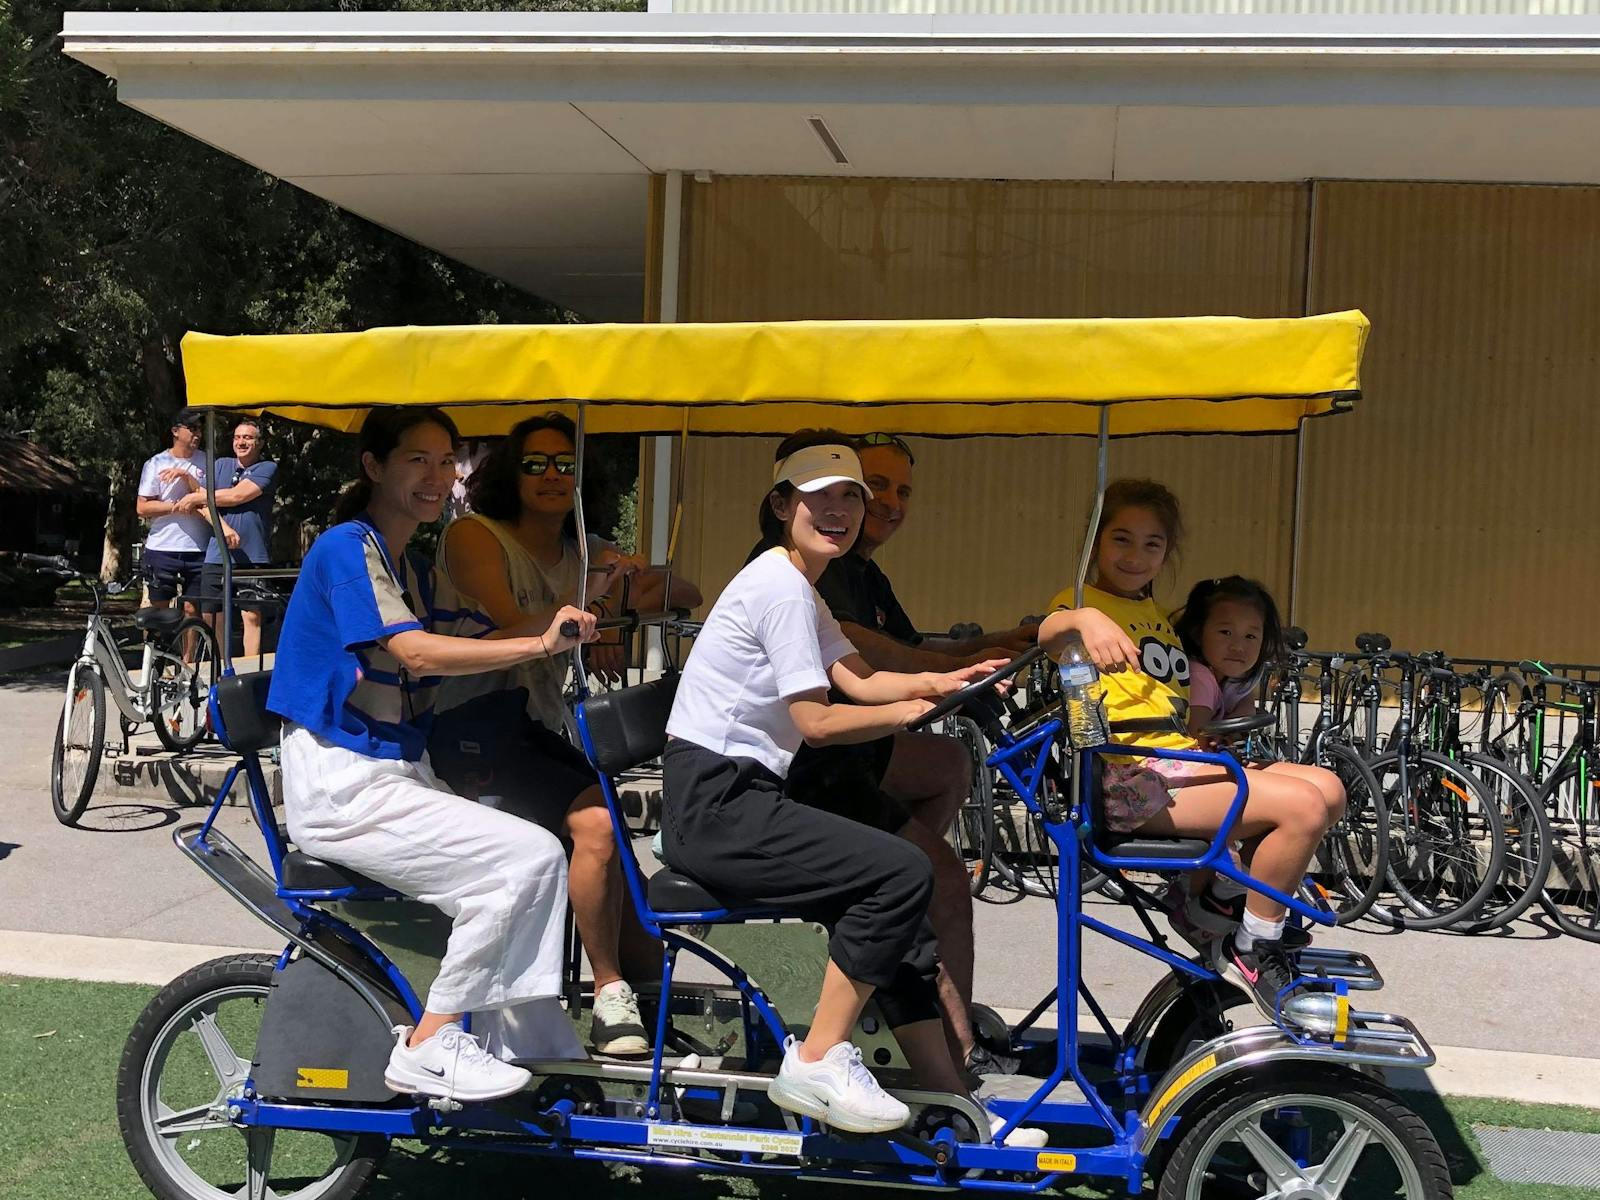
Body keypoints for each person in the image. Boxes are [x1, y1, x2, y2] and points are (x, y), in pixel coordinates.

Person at [662, 430, 1044, 1145]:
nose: (839, 513)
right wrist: (908, 714)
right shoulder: (778, 586)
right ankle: (814, 1059)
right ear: (781, 504)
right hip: (715, 805)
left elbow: (860, 677)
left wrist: (947, 680)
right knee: (900, 872)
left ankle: (959, 1106)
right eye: (819, 498)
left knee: (904, 914)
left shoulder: (800, 585)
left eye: (851, 499)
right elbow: (815, 720)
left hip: (744, 798)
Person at [268, 405, 600, 1103]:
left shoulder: (410, 567)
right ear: (373, 466)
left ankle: (534, 1044)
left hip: (395, 774)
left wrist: (579, 604)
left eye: (447, 460)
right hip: (344, 783)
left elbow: (489, 630)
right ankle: (432, 1042)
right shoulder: (344, 548)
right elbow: (416, 654)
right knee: (528, 857)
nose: (436, 475)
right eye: (417, 458)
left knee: (533, 860)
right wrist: (540, 643)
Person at [431, 412, 702, 1058]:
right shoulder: (476, 536)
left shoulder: (586, 548)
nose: (552, 477)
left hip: (533, 730)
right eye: (536, 463)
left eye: (565, 465)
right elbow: (517, 619)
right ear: (510, 472)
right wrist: (599, 609)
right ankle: (610, 995)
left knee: (627, 880)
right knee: (600, 828)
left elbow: (682, 589)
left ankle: (657, 1024)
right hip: (471, 727)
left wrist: (615, 594)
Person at [778, 432, 1034, 1076]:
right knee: (939, 876)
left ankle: (914, 980)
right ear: (787, 503)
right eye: (874, 487)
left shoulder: (858, 569)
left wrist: (1002, 650)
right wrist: (947, 679)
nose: (886, 503)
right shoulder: (798, 573)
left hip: (842, 764)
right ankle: (958, 1053)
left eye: (895, 491)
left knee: (948, 766)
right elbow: (869, 666)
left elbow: (910, 650)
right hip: (803, 779)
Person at [1038, 479, 1343, 1019]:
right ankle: (1256, 941)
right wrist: (1079, 619)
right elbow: (1051, 632)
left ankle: (1219, 897)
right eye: (1122, 540)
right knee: (1303, 806)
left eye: (1152, 544)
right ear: (1095, 541)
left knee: (1329, 788)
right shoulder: (1081, 604)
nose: (1136, 556)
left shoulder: (1154, 614)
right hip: (1130, 779)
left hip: (1176, 758)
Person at [173, 418, 278, 659]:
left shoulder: (267, 468)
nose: (241, 442)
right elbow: (202, 503)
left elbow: (237, 496)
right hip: (217, 555)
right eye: (238, 437)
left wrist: (199, 495)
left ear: (260, 443)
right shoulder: (220, 465)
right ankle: (220, 670)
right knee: (213, 616)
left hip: (253, 557)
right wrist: (223, 528)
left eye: (248, 437)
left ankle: (249, 669)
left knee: (251, 615)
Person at [135, 408, 211, 614]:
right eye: (192, 428)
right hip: (162, 547)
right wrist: (179, 506)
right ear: (175, 431)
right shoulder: (155, 463)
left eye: (200, 429)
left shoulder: (209, 462)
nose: (198, 434)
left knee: (191, 608)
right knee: (158, 608)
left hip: (199, 549)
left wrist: (190, 487)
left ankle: (189, 648)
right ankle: (157, 646)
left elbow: (209, 498)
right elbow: (142, 507)